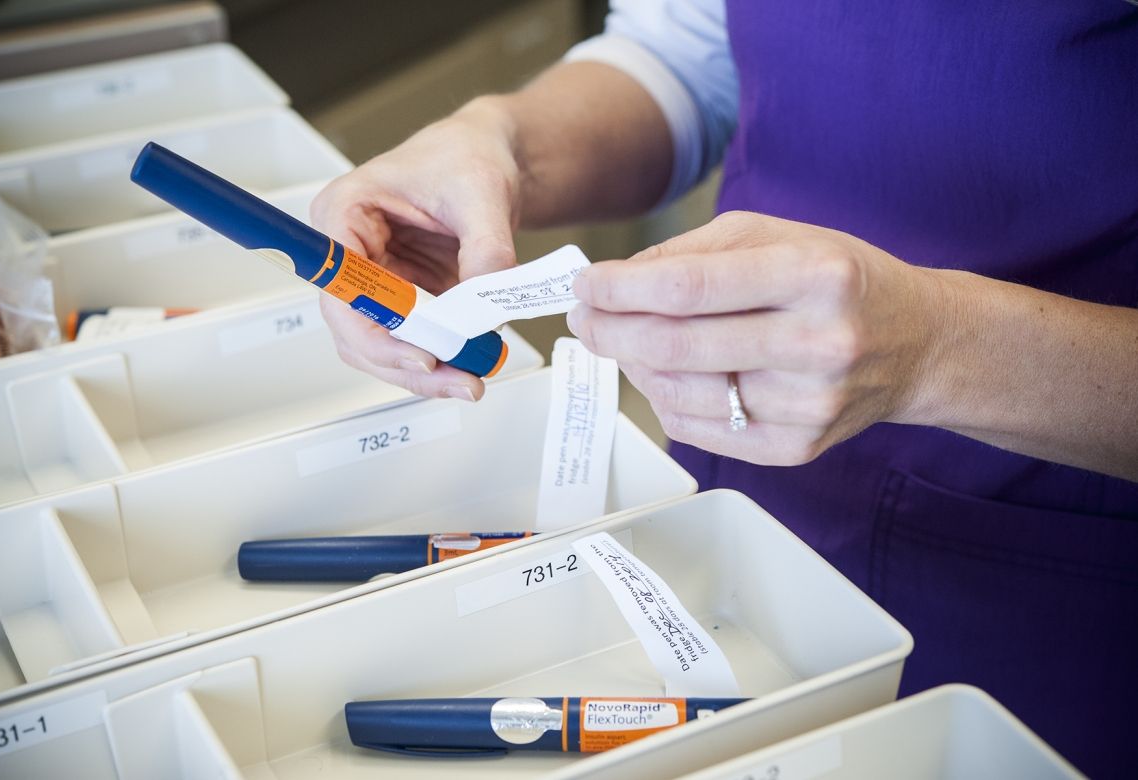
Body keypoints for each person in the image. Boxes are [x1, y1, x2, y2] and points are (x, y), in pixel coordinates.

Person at [310, 1, 1138, 775]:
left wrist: (939, 347)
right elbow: (685, 57)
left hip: (1048, 578)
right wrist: (497, 138)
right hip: (734, 487)